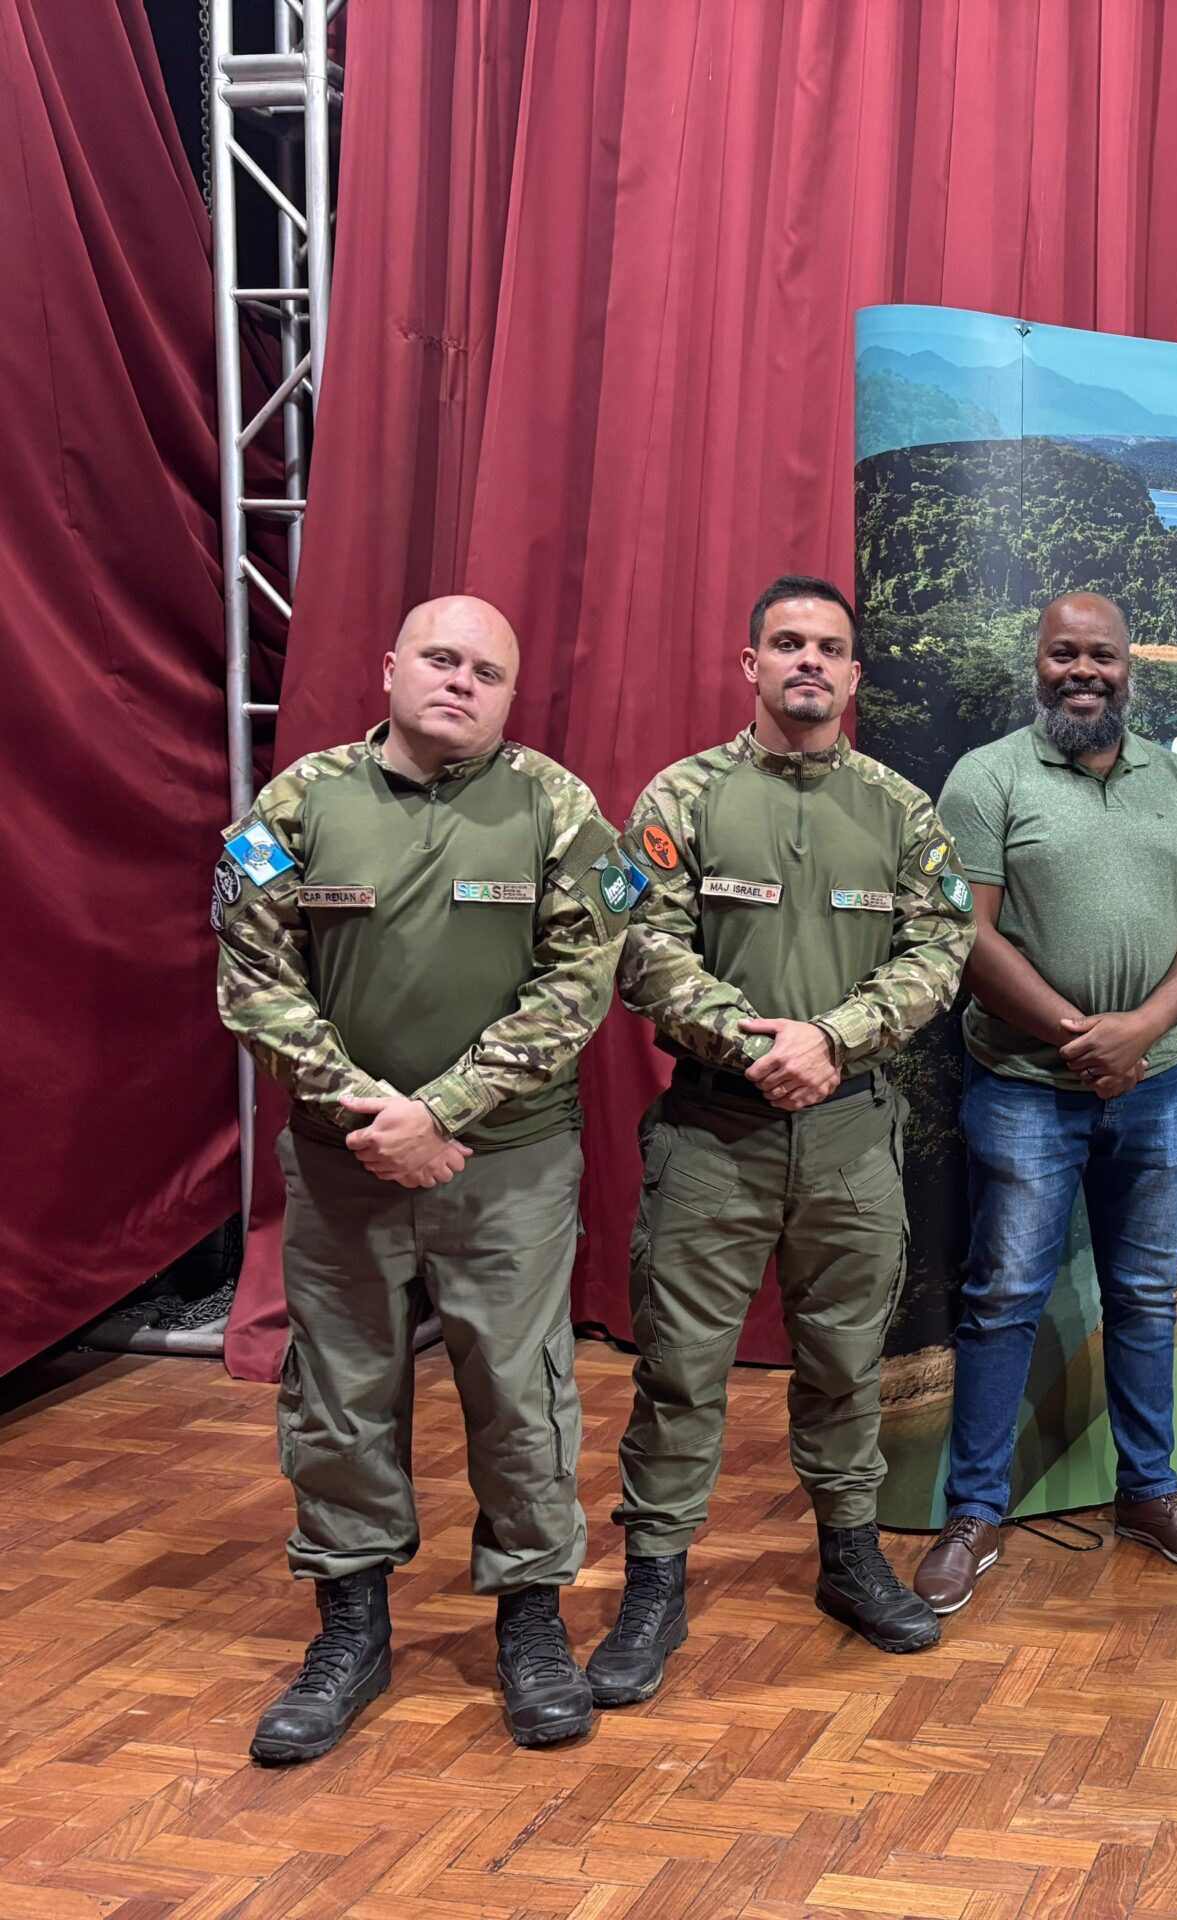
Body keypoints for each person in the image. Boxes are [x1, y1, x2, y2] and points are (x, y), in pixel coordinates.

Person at [214, 595, 640, 1762]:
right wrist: (375, 1116)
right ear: (389, 667)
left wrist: (440, 1112)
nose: (460, 682)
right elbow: (253, 978)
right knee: (339, 1394)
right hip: (342, 1165)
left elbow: (577, 987)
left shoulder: (558, 810)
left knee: (520, 1394)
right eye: (440, 660)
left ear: (510, 695)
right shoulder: (297, 804)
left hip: (507, 1165)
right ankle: (350, 1630)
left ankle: (532, 1625)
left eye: (486, 672)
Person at [588, 572, 972, 1705]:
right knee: (679, 1369)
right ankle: (655, 1584)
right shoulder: (682, 797)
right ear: (749, 663)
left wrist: (832, 1039)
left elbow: (940, 948)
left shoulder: (902, 812)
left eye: (829, 647)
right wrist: (754, 1042)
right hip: (714, 1130)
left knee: (847, 1363)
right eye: (788, 643)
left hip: (850, 1133)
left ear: (854, 674)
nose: (810, 661)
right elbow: (640, 943)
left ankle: (849, 1558)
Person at [915, 591, 1177, 1616]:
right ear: (1039, 662)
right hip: (1023, 1088)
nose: (1083, 672)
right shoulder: (988, 778)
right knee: (1003, 1298)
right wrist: (1080, 1036)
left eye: (1102, 655)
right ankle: (974, 1513)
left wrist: (1140, 1032)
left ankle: (1148, 1493)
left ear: (1129, 667)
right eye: (1065, 654)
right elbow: (965, 935)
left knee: (1144, 1296)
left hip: (1159, 1083)